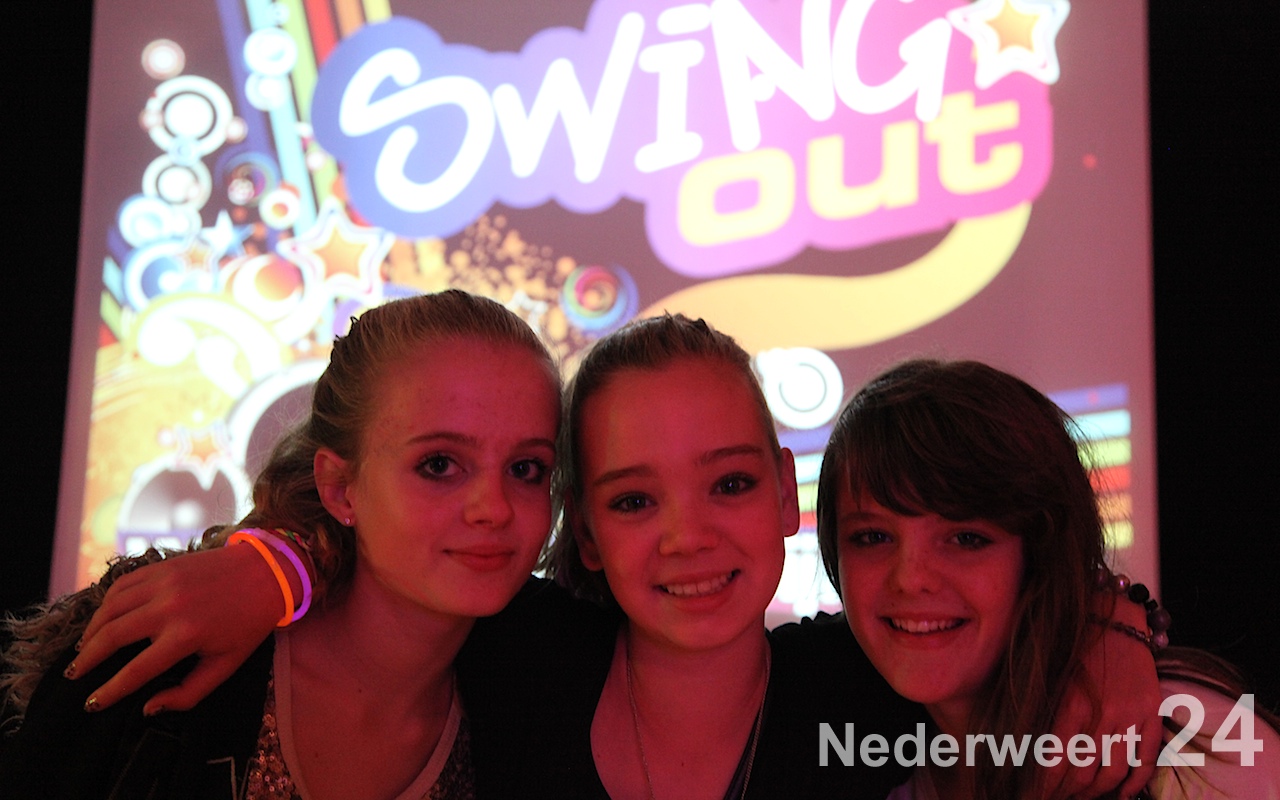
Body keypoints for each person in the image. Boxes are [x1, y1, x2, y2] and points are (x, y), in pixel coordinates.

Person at [28, 317, 1163, 799]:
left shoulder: (862, 689)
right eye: (630, 498)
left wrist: (1115, 628)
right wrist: (272, 560)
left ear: (785, 490)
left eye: (729, 483)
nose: (686, 536)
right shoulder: (507, 655)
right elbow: (383, 557)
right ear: (582, 527)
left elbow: (1006, 598)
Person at [0, 289, 562, 799]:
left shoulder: (543, 688)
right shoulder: (169, 651)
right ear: (340, 488)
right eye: (438, 464)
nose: (494, 508)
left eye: (526, 468)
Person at [814, 359, 1280, 800]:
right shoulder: (866, 759)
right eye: (872, 536)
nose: (910, 578)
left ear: (1042, 552)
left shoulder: (1200, 745)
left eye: (967, 538)